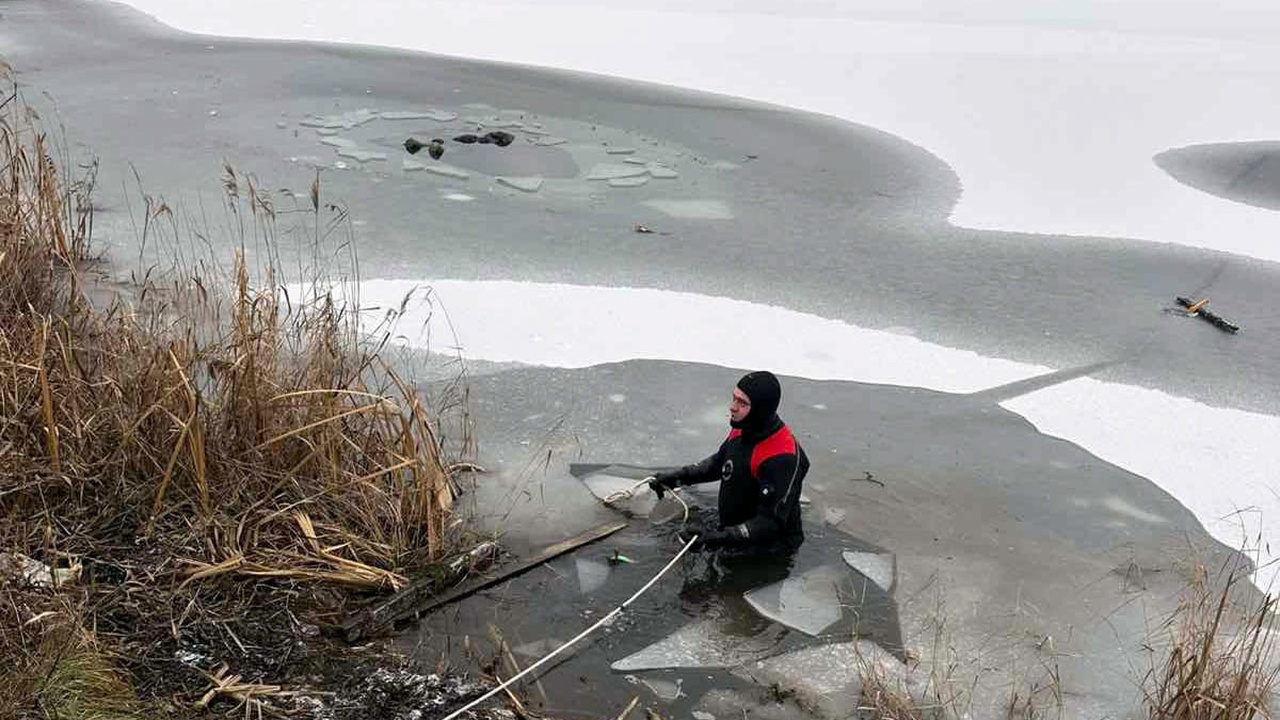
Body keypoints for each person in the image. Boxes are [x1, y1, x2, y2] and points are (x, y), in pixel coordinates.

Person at [648, 370, 809, 552]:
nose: (732, 407)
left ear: (760, 409)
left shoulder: (782, 457)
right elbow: (719, 464)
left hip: (769, 549)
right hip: (733, 532)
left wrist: (716, 538)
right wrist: (678, 477)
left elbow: (770, 523)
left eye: (742, 403)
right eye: (734, 398)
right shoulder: (744, 428)